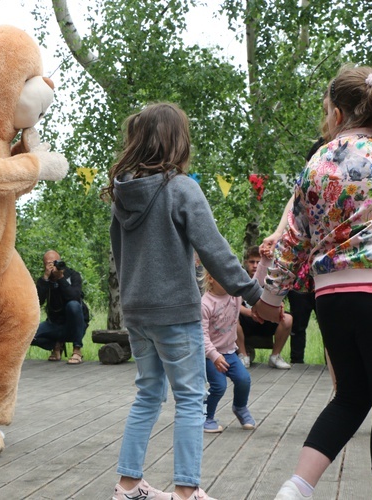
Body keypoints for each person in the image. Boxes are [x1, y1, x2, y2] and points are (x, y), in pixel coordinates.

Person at [258, 65, 372, 500]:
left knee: (350, 396)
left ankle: (296, 487)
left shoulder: (317, 162)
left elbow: (294, 236)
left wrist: (271, 296)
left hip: (332, 299)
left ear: (338, 113)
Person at [104, 102, 276, 500]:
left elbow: (119, 253)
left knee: (148, 393)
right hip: (176, 312)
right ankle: (186, 491)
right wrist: (254, 292)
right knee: (190, 399)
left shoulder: (121, 193)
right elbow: (214, 250)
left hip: (137, 312)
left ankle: (128, 485)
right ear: (176, 141)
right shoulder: (180, 188)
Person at [261, 139, 325, 364]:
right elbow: (297, 200)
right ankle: (298, 361)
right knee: (300, 324)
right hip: (306, 276)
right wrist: (279, 233)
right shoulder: (310, 181)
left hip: (338, 269)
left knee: (335, 330)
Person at [201, 270, 256, 434]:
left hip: (229, 352)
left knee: (244, 379)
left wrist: (264, 263)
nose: (229, 280)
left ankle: (240, 407)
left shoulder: (235, 296)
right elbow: (201, 336)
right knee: (218, 386)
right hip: (210, 355)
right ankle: (206, 417)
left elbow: (254, 283)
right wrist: (214, 355)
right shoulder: (205, 304)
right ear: (211, 278)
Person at [238, 246, 293, 369]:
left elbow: (278, 303)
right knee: (231, 316)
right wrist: (250, 313)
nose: (255, 265)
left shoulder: (271, 280)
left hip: (267, 319)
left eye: (258, 262)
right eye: (252, 262)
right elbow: (233, 305)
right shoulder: (240, 280)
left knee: (288, 318)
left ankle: (275, 356)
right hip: (247, 319)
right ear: (246, 263)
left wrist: (279, 308)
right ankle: (243, 355)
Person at [31, 249, 89, 364]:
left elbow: (75, 298)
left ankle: (77, 350)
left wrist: (61, 278)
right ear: (45, 266)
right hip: (54, 324)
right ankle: (56, 345)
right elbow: (37, 303)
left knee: (73, 305)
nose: (54, 266)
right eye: (49, 264)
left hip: (76, 324)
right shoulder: (44, 280)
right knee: (28, 335)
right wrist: (46, 279)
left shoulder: (73, 275)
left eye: (56, 262)